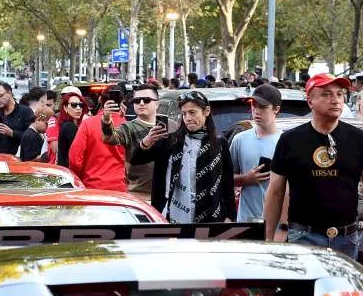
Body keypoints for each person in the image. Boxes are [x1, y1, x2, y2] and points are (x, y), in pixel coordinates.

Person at [262, 74, 363, 264]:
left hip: (347, 239)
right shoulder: (290, 140)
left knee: (342, 294)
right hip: (303, 239)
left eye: (339, 94)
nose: (335, 100)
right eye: (326, 94)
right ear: (310, 101)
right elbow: (275, 192)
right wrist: (268, 239)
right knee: (306, 294)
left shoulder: (358, 139)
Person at [131, 91, 235, 221]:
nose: (188, 118)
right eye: (184, 114)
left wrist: (230, 216)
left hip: (210, 215)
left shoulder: (219, 144)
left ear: (206, 111)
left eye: (192, 112)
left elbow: (227, 183)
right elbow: (136, 159)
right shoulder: (170, 141)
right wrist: (147, 141)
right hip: (172, 213)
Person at [229, 84, 284, 222]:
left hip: (276, 223)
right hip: (246, 221)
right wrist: (245, 179)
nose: (256, 111)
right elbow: (224, 178)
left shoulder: (286, 142)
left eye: (263, 107)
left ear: (276, 109)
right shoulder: (239, 140)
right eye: (254, 105)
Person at [100, 83, 160, 202]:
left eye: (146, 100)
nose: (141, 103)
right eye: (137, 101)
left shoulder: (171, 126)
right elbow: (109, 138)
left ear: (157, 103)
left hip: (167, 196)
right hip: (139, 197)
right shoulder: (128, 128)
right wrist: (106, 119)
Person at [68, 83, 127, 190]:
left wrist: (79, 180)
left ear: (100, 100)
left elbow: (75, 159)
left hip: (91, 187)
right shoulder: (127, 126)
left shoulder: (88, 124)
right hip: (119, 189)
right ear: (122, 103)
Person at [0, 81, 33, 154]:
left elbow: (32, 138)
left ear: (10, 93)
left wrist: (12, 133)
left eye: (0, 95)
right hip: (0, 161)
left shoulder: (25, 112)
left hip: (20, 161)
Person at [53, 88, 85, 168]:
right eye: (74, 105)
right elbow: (75, 156)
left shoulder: (68, 125)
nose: (78, 108)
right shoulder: (69, 127)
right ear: (65, 108)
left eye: (80, 105)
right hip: (69, 171)